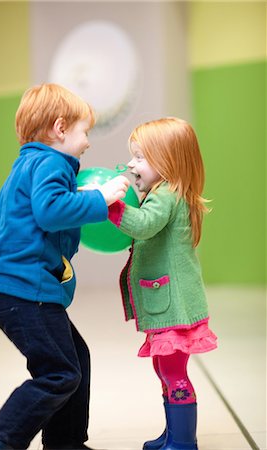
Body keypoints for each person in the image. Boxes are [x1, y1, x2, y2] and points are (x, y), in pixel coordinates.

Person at [0, 83, 130, 450]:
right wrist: (99, 198)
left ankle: (65, 441)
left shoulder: (28, 163)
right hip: (24, 289)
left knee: (76, 358)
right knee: (58, 372)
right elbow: (51, 211)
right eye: (84, 131)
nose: (88, 142)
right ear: (60, 129)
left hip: (13, 287)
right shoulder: (52, 163)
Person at [108, 117, 217, 450]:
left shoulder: (166, 195)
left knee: (173, 373)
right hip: (170, 305)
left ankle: (183, 440)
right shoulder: (167, 192)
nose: (130, 163)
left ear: (168, 162)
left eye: (140, 157)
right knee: (164, 369)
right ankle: (173, 433)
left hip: (174, 306)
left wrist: (110, 206)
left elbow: (142, 226)